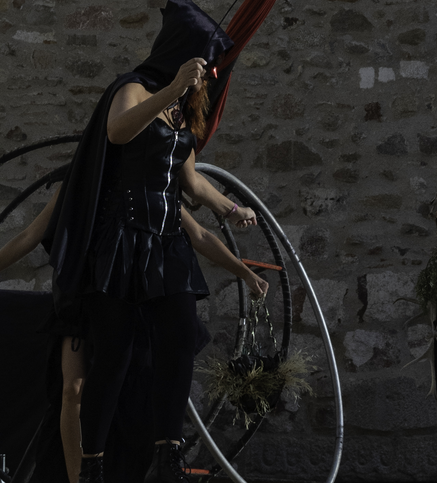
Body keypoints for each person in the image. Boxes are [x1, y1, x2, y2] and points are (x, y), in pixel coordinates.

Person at [43, 0, 260, 483]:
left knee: (180, 337)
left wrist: (232, 206)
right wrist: (175, 89)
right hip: (121, 243)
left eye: (206, 71)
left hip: (166, 245)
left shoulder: (182, 115)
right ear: (180, 54)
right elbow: (118, 133)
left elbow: (193, 183)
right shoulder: (133, 89)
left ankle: (169, 456)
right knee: (114, 356)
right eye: (201, 66)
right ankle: (93, 465)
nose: (204, 78)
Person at [0, 187, 268, 483]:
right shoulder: (78, 185)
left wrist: (243, 271)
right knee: (73, 389)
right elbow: (28, 236)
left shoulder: (150, 183)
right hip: (82, 299)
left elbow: (200, 234)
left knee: (132, 398)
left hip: (133, 304)